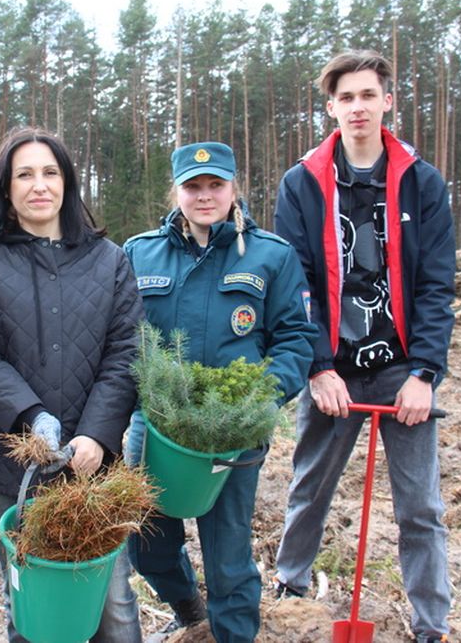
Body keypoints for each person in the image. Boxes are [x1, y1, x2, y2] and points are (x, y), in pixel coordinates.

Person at [272, 50, 456, 643]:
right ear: (331, 107)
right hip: (334, 373)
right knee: (310, 485)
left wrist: (425, 373)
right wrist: (318, 368)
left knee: (420, 508)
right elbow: (294, 284)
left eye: (368, 95)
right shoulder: (302, 183)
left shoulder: (421, 181)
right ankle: (291, 585)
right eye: (346, 97)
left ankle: (432, 622)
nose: (358, 107)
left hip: (401, 370)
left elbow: (435, 284)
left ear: (387, 101)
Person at [0, 127, 145, 643]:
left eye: (50, 172)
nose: (39, 185)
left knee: (114, 609)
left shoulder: (109, 260)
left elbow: (126, 353)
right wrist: (32, 417)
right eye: (25, 175)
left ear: (68, 182)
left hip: (95, 470)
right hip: (10, 467)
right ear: (6, 189)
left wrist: (97, 437)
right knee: (34, 611)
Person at [123, 141, 316, 643]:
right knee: (147, 545)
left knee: (227, 555)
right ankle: (190, 610)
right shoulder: (139, 252)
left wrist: (258, 403)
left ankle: (234, 635)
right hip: (157, 428)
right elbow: (120, 340)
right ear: (177, 190)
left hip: (233, 430)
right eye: (193, 186)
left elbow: (296, 338)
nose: (205, 196)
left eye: (216, 185)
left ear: (234, 188)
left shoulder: (272, 255)